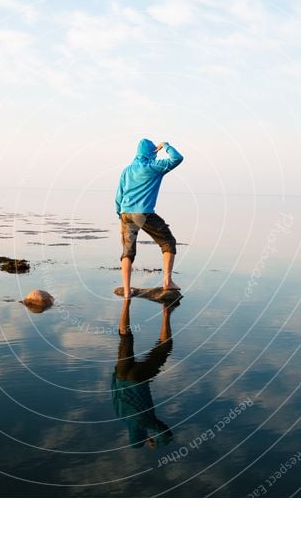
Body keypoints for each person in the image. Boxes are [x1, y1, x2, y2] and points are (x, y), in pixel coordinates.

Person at [115, 138, 184, 299]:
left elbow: (119, 194)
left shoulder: (127, 170)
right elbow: (177, 158)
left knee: (127, 252)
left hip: (125, 213)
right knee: (168, 242)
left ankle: (126, 291)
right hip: (144, 213)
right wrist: (165, 146)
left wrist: (120, 213)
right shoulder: (154, 167)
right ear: (151, 152)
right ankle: (167, 282)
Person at [111, 298, 175, 449]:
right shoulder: (122, 417)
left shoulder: (144, 421)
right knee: (126, 339)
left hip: (137, 379)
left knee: (164, 349)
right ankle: (126, 302)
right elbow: (113, 392)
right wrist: (116, 373)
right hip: (121, 376)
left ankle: (166, 312)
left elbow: (167, 435)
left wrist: (156, 443)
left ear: (141, 435)